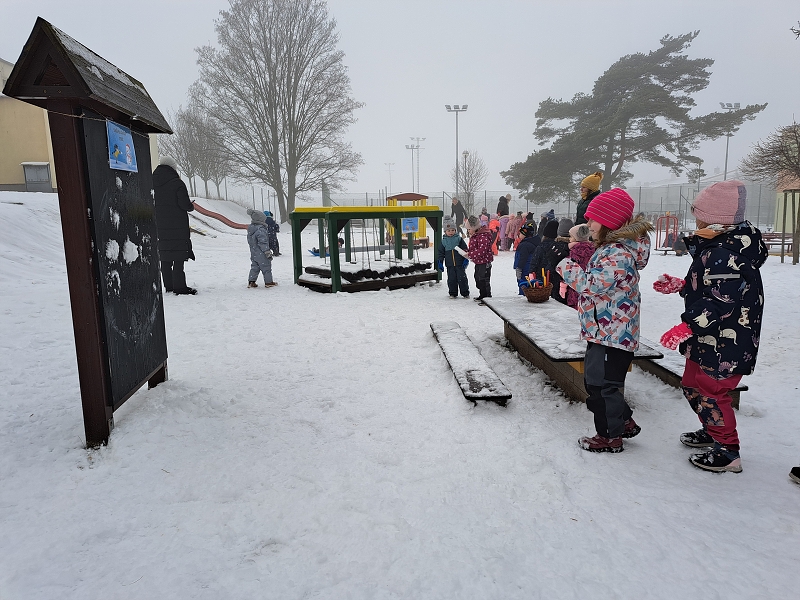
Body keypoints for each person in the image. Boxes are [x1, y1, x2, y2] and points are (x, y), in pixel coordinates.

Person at [656, 180, 767, 473]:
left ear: (717, 219)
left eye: (700, 214)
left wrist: (685, 326)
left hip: (725, 343)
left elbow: (720, 300)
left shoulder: (725, 253)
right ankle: (713, 427)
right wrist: (682, 286)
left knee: (711, 391)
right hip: (708, 337)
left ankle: (728, 452)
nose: (696, 219)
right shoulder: (719, 246)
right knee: (692, 384)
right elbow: (713, 288)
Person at [556, 188, 653, 453]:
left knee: (603, 387)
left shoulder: (618, 254)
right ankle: (623, 421)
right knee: (596, 382)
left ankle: (610, 437)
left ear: (609, 222)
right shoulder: (610, 249)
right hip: (604, 331)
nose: (588, 225)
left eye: (592, 220)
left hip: (613, 334)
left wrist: (565, 265)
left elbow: (592, 285)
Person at [152, 156, 197, 295]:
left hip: (160, 225)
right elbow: (184, 205)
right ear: (173, 168)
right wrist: (191, 206)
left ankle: (169, 286)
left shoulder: (151, 181)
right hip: (177, 226)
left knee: (165, 256)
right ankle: (180, 287)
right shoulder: (177, 183)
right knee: (178, 257)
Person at [562, 223, 594, 309]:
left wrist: (563, 285)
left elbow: (570, 271)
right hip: (589, 286)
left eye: (571, 237)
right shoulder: (594, 249)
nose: (569, 239)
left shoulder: (575, 252)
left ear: (577, 238)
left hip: (575, 286)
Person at [436, 217, 470, 299]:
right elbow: (441, 252)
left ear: (455, 230)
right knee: (451, 279)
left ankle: (465, 293)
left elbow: (465, 249)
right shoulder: (443, 241)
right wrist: (440, 261)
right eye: (448, 230)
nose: (451, 232)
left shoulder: (459, 239)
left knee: (462, 278)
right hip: (450, 264)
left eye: (452, 230)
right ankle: (453, 293)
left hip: (459, 264)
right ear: (445, 231)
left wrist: (465, 259)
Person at [466, 216, 494, 304]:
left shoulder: (482, 236)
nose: (468, 231)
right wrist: (467, 252)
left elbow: (482, 250)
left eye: (469, 229)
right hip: (478, 262)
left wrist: (470, 254)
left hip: (484, 262)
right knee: (477, 278)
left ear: (474, 228)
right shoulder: (476, 236)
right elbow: (474, 248)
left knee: (483, 279)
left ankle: (486, 297)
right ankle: (482, 295)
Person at [246, 209, 277, 288]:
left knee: (254, 267)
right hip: (262, 253)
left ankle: (251, 282)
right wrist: (267, 251)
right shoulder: (261, 229)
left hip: (254, 252)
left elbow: (251, 241)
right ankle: (268, 282)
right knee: (266, 267)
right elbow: (263, 242)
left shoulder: (251, 229)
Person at [545, 218, 573, 303]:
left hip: (554, 282)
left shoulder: (554, 247)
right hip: (571, 284)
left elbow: (548, 265)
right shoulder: (574, 248)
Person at [513, 221, 540, 294]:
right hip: (530, 270)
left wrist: (518, 269)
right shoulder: (533, 243)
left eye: (521, 233)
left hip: (524, 271)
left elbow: (522, 259)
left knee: (523, 287)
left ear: (525, 234)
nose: (519, 234)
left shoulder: (524, 245)